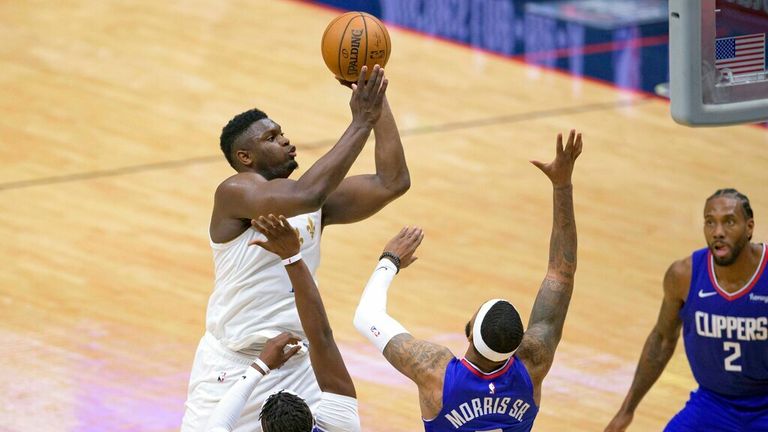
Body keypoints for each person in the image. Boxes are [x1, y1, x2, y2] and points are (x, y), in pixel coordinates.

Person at [182, 65, 411, 431]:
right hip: (234, 367)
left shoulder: (311, 201)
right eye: (272, 138)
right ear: (245, 157)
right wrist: (361, 122)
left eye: (282, 133)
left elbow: (392, 181)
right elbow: (308, 192)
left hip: (297, 363)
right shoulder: (235, 193)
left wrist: (377, 102)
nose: (286, 141)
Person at [353, 130, 583, 431]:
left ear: (471, 332)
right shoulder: (533, 362)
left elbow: (366, 317)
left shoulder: (435, 371)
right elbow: (561, 274)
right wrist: (562, 186)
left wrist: (389, 261)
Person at [605, 188, 768, 432]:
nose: (718, 232)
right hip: (713, 403)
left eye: (729, 222)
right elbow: (662, 341)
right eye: (710, 222)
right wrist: (626, 410)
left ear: (749, 227)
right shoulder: (684, 275)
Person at [205, 214, 362, 432]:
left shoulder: (342, 426)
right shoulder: (342, 425)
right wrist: (291, 257)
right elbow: (322, 338)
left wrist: (262, 364)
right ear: (312, 418)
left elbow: (322, 338)